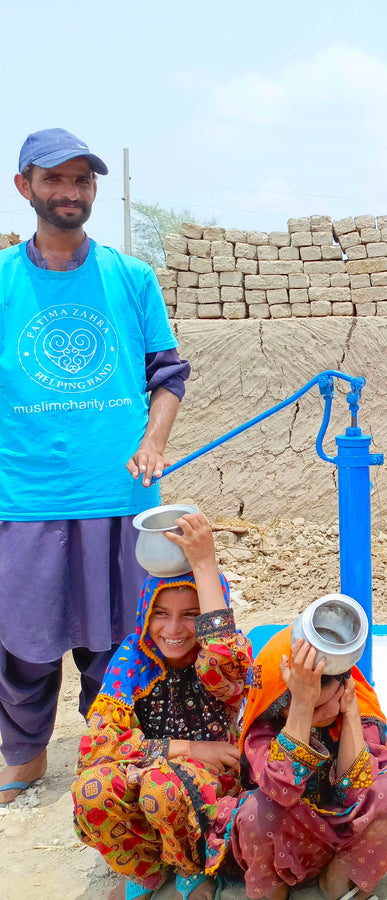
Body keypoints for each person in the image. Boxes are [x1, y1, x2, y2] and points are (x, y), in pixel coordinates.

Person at [0, 128, 190, 804]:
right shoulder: (1, 284)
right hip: (23, 497)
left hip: (119, 494)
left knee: (116, 639)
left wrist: (154, 440)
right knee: (22, 643)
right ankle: (22, 758)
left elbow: (168, 374)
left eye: (83, 181)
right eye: (55, 179)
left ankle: (107, 756)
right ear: (26, 188)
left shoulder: (130, 279)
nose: (70, 192)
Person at [72, 512, 251, 900]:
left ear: (206, 617)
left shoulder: (218, 661)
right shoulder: (132, 660)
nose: (173, 631)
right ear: (143, 613)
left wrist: (204, 564)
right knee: (92, 789)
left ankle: (193, 868)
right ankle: (147, 869)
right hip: (153, 777)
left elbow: (223, 655)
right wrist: (186, 748)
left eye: (190, 615)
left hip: (211, 784)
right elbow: (97, 749)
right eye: (160, 614)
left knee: (162, 785)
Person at [228, 627, 387, 900]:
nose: (328, 712)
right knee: (257, 810)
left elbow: (354, 792)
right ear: (279, 706)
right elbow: (281, 790)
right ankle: (275, 894)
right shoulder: (265, 729)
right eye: (313, 707)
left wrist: (350, 710)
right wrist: (303, 705)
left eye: (331, 700)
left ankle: (338, 883)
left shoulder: (357, 711)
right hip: (287, 841)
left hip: (344, 842)